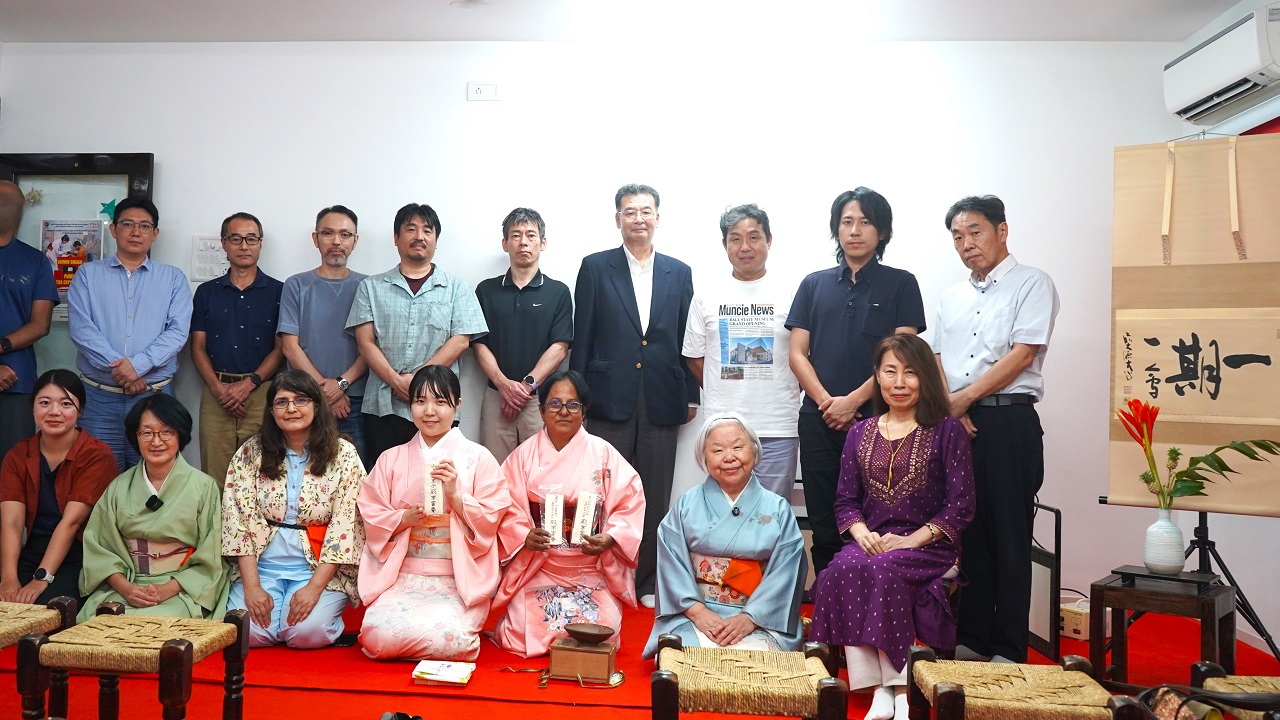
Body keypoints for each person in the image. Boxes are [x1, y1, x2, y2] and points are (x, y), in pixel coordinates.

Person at [808, 334, 975, 720]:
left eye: (911, 373)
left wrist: (910, 540)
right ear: (878, 378)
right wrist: (861, 533)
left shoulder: (947, 430)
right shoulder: (859, 432)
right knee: (839, 571)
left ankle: (899, 689)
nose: (900, 383)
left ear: (926, 378)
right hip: (872, 542)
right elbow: (845, 502)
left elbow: (962, 506)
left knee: (882, 572)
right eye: (890, 372)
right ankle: (880, 690)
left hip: (930, 545)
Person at [934, 195, 1059, 664]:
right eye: (957, 237)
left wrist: (962, 400)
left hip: (1009, 421)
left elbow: (1023, 353)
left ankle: (1009, 645)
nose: (967, 244)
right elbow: (939, 355)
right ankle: (973, 637)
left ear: (1001, 231)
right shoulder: (951, 296)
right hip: (959, 423)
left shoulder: (1033, 284)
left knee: (1009, 535)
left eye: (975, 232)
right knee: (970, 532)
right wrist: (955, 407)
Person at [570, 183, 698, 608]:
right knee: (604, 494)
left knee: (654, 495)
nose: (638, 218)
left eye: (646, 211)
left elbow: (686, 337)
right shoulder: (594, 267)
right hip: (609, 397)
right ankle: (602, 576)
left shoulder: (678, 272)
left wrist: (690, 392)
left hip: (662, 395)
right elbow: (582, 337)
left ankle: (645, 581)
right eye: (630, 211)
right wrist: (578, 398)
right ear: (618, 219)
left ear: (658, 217)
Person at [787, 187, 925, 580]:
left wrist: (853, 402)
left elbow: (905, 352)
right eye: (847, 222)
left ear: (882, 232)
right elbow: (798, 353)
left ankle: (868, 597)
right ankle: (830, 600)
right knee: (823, 513)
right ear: (836, 230)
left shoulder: (901, 283)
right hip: (819, 419)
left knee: (877, 513)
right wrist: (828, 402)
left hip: (881, 421)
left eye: (865, 222)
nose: (855, 230)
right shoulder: (814, 283)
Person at [356, 365, 509, 661]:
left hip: (457, 579)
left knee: (452, 639)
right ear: (409, 405)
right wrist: (403, 519)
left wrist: (456, 496)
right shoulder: (391, 458)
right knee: (377, 637)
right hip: (405, 576)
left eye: (440, 402)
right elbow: (370, 510)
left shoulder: (479, 458)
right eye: (420, 401)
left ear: (457, 406)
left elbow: (492, 516)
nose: (429, 411)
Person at [492, 370, 645, 658]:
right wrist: (524, 535)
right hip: (540, 567)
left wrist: (610, 537)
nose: (563, 411)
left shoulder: (604, 454)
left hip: (590, 570)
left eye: (573, 405)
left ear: (584, 412)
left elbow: (630, 500)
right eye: (555, 404)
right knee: (520, 634)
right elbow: (505, 505)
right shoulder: (523, 457)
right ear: (541, 411)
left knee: (603, 630)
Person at [643, 412, 807, 658]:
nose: (729, 458)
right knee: (684, 659)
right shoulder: (686, 505)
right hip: (695, 610)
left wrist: (748, 619)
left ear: (754, 450)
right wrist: (700, 614)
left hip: (759, 615)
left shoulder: (777, 508)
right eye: (717, 450)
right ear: (704, 458)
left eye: (738, 447)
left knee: (761, 663)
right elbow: (671, 561)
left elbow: (787, 569)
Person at [222, 370, 366, 648]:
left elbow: (346, 525)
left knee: (305, 634)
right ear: (271, 410)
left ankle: (316, 615)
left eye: (301, 400)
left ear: (316, 405)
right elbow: (238, 519)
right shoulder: (250, 453)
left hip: (317, 569)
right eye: (281, 401)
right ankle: (272, 614)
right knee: (248, 634)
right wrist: (252, 588)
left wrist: (313, 589)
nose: (291, 408)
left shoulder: (344, 455)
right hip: (262, 567)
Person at [347, 203, 488, 466]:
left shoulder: (457, 287)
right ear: (396, 239)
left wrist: (418, 383)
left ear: (436, 240)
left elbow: (461, 341)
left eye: (427, 230)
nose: (419, 236)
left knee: (436, 483)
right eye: (410, 229)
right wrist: (396, 381)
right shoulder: (371, 287)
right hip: (382, 405)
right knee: (384, 479)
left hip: (438, 407)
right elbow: (365, 343)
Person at [77, 394, 229, 621]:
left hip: (181, 588)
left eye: (166, 431)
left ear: (180, 434)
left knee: (159, 626)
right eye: (147, 433)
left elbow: (212, 555)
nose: (156, 441)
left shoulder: (204, 487)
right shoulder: (119, 487)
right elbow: (100, 548)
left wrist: (167, 589)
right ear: (135, 437)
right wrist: (127, 589)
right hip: (128, 585)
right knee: (99, 622)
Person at [684, 204, 801, 498]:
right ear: (725, 245)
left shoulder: (792, 292)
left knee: (772, 515)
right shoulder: (706, 295)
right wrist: (722, 387)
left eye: (753, 237)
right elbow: (694, 357)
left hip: (777, 425)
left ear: (769, 240)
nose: (744, 247)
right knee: (724, 511)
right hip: (722, 427)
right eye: (735, 239)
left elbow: (806, 356)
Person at [68, 197, 192, 471]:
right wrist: (124, 372)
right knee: (98, 476)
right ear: (113, 229)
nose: (136, 232)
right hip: (100, 398)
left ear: (155, 234)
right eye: (128, 224)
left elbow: (178, 331)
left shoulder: (173, 278)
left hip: (155, 396)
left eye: (144, 226)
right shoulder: (87, 275)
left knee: (155, 478)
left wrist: (137, 367)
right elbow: (81, 329)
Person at [0, 370, 116, 604]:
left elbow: (71, 523)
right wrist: (8, 578)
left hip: (80, 553)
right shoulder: (18, 455)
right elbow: (11, 523)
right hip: (32, 550)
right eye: (45, 402)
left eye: (66, 404)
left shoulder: (96, 454)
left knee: (46, 608)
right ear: (32, 407)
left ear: (80, 410)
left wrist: (41, 578)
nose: (54, 411)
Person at [472, 208, 573, 464]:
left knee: (542, 473)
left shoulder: (558, 292)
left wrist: (525, 387)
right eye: (516, 235)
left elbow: (560, 347)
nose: (524, 242)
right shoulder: (486, 290)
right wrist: (504, 385)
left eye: (531, 235)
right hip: (496, 396)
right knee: (494, 474)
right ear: (505, 243)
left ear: (543, 242)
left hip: (540, 399)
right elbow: (478, 344)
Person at [191, 212, 284, 479]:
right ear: (224, 243)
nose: (244, 246)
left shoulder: (279, 291)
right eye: (236, 239)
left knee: (262, 475)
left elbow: (281, 348)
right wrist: (219, 390)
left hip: (262, 394)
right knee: (215, 477)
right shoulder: (207, 292)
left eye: (251, 239)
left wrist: (249, 384)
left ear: (260, 244)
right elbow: (197, 348)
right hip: (215, 392)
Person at [279, 205, 370, 468]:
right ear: (315, 238)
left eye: (345, 234)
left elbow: (371, 347)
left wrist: (341, 385)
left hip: (354, 402)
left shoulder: (369, 286)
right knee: (302, 477)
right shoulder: (296, 285)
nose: (336, 242)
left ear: (355, 241)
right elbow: (289, 347)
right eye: (328, 233)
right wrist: (324, 390)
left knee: (354, 478)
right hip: (303, 399)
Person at [0, 180, 57, 460]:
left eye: (9, 202)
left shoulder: (35, 261)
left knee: (13, 468)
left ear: (21, 212)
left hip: (16, 381)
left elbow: (40, 324)